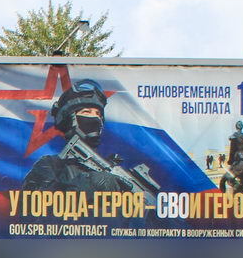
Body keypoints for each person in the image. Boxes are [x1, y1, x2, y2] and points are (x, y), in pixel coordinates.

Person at [22, 78, 158, 199]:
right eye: (86, 112)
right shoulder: (52, 165)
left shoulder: (112, 170)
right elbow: (32, 208)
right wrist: (88, 185)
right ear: (70, 119)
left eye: (98, 114)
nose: (95, 118)